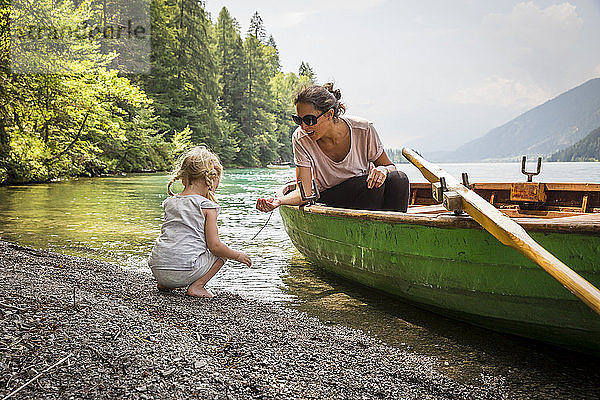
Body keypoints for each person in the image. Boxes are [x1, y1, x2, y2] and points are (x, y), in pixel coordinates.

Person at [256, 83, 410, 213]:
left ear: (329, 114)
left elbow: (389, 166)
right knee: (372, 187)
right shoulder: (301, 138)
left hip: (365, 194)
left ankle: (393, 236)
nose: (303, 127)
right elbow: (305, 192)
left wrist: (382, 170)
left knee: (399, 179)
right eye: (298, 120)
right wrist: (279, 202)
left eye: (309, 120)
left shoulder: (363, 129)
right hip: (330, 198)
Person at [148, 146, 251, 298]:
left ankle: (165, 284)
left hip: (158, 269)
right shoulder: (208, 206)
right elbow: (215, 246)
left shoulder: (170, 202)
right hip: (183, 271)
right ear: (210, 180)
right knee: (221, 254)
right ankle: (197, 287)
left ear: (185, 177)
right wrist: (237, 255)